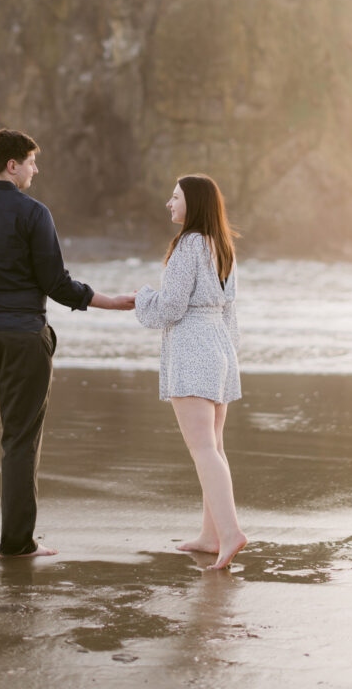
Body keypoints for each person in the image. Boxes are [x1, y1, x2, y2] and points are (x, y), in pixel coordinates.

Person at [0, 127, 135, 557]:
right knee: (19, 439)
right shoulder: (33, 213)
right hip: (21, 337)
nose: (35, 170)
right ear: (12, 164)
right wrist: (111, 301)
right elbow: (55, 282)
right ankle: (18, 544)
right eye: (31, 162)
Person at [134, 174, 247, 571]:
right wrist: (228, 358)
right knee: (213, 447)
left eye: (176, 196)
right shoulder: (222, 246)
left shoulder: (189, 244)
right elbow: (230, 312)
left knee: (203, 449)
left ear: (193, 203)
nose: (169, 202)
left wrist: (142, 297)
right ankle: (211, 535)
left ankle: (230, 533)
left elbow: (170, 308)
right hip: (220, 350)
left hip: (193, 348)